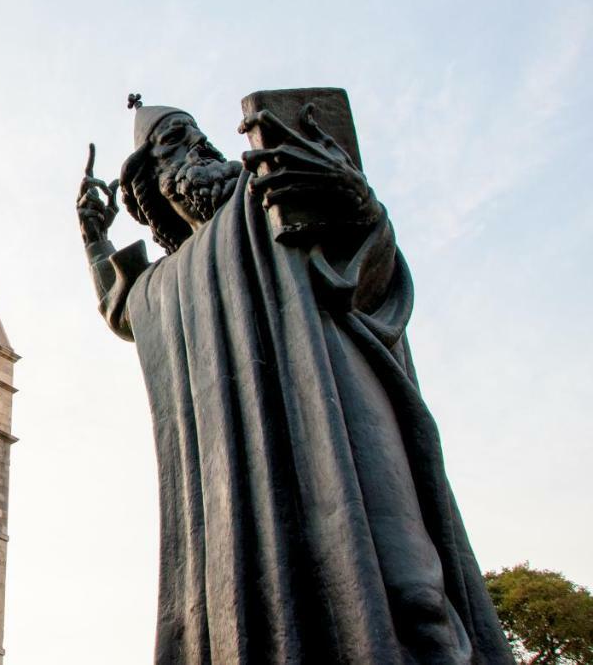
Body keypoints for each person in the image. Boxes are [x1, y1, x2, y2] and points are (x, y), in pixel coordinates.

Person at [78, 97, 510, 664]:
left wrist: (359, 205)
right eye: (177, 140)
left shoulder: (274, 194)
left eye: (200, 135)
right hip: (245, 470)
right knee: (257, 617)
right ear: (153, 184)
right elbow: (122, 306)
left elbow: (364, 260)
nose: (203, 148)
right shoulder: (164, 285)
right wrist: (94, 239)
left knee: (413, 590)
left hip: (339, 406)